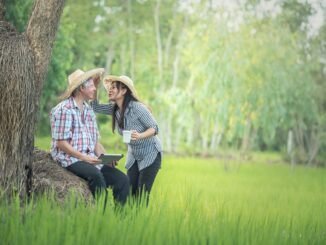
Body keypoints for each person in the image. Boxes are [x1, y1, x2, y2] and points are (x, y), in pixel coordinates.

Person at [50, 68, 129, 206]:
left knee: (122, 180)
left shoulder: (88, 110)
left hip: (90, 159)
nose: (94, 89)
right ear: (81, 88)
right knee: (97, 177)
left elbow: (95, 143)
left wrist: (105, 158)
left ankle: (120, 220)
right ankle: (100, 216)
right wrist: (84, 157)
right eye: (92, 85)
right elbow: (61, 143)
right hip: (70, 159)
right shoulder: (64, 110)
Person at [91, 75, 162, 205]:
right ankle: (126, 221)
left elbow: (155, 128)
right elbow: (95, 107)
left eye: (114, 87)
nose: (110, 90)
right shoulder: (115, 109)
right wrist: (95, 87)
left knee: (141, 195)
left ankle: (139, 222)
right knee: (128, 191)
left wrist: (140, 136)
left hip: (150, 154)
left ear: (123, 91)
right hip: (133, 154)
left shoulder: (137, 108)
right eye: (109, 88)